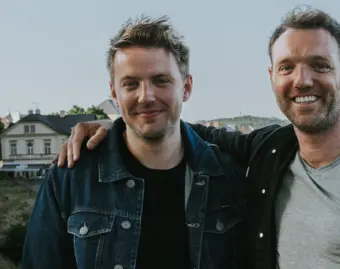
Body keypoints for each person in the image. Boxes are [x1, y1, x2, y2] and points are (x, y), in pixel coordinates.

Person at [56, 7, 340, 269]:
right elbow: (183, 133)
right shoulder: (268, 151)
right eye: (286, 67)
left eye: (319, 65)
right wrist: (121, 124)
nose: (301, 80)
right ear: (271, 78)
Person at [22, 16, 249, 269]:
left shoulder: (228, 178)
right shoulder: (69, 179)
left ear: (186, 87)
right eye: (131, 84)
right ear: (114, 93)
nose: (146, 96)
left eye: (161, 81)